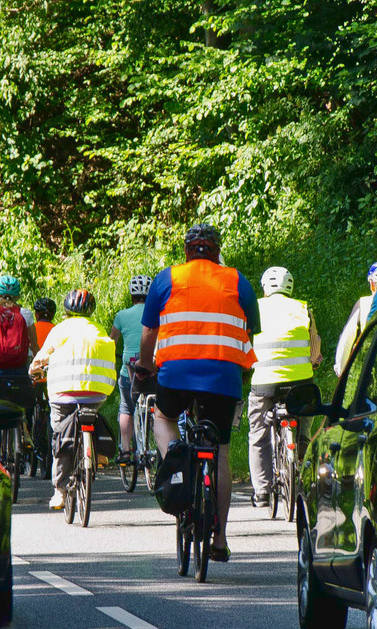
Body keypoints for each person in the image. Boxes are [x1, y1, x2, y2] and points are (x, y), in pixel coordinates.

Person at [133, 224, 259, 562]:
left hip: (175, 374)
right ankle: (219, 539)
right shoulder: (237, 280)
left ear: (187, 250)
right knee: (219, 450)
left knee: (163, 417)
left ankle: (175, 454)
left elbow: (148, 333)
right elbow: (251, 332)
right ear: (217, 251)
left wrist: (146, 365)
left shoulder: (167, 278)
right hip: (223, 377)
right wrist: (240, 369)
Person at [29, 289, 117, 509]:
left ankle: (59, 491)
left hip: (63, 393)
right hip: (97, 392)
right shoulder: (98, 329)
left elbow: (42, 357)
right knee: (91, 414)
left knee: (59, 433)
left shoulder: (60, 329)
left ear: (66, 310)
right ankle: (97, 452)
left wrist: (34, 369)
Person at [247, 266, 322, 507]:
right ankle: (303, 477)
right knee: (304, 428)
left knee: (258, 433)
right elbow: (314, 346)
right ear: (290, 286)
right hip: (300, 383)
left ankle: (261, 491)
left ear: (265, 287)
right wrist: (315, 360)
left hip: (264, 385)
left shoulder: (254, 308)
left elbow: (245, 342)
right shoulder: (302, 308)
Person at [109, 275, 151, 465]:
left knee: (126, 407)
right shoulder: (156, 314)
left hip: (129, 371)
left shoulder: (121, 315)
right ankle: (152, 448)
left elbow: (112, 343)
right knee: (157, 407)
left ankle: (126, 451)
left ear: (132, 295)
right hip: (151, 368)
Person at [334, 260, 377, 376]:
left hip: (367, 369)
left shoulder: (364, 303)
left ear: (372, 284)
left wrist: (341, 370)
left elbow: (346, 340)